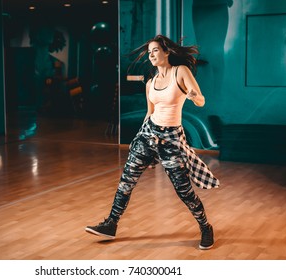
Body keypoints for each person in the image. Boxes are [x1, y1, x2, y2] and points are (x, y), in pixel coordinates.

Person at [85, 35, 220, 250]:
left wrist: (194, 96)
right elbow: (150, 112)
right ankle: (111, 224)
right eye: (149, 52)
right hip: (148, 134)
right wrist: (140, 138)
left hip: (171, 139)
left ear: (167, 52)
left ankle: (205, 227)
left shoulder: (181, 72)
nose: (151, 55)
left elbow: (201, 100)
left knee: (183, 190)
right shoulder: (150, 83)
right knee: (126, 182)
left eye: (155, 50)